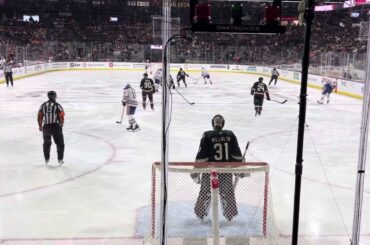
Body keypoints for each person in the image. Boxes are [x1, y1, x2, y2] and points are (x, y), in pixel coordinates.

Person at [191, 114, 243, 221]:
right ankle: (230, 218)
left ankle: (200, 217)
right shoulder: (230, 134)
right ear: (223, 124)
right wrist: (238, 170)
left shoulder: (207, 135)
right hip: (226, 171)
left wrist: (195, 172)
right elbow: (236, 155)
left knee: (205, 193)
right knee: (228, 194)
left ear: (213, 124)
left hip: (209, 171)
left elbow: (202, 156)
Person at [37, 91, 65, 166]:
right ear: (55, 96)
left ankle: (46, 159)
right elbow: (61, 115)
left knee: (46, 143)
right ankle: (60, 159)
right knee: (60, 144)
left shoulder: (43, 105)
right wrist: (61, 124)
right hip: (56, 126)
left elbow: (39, 116)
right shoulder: (57, 105)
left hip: (46, 127)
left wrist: (40, 126)